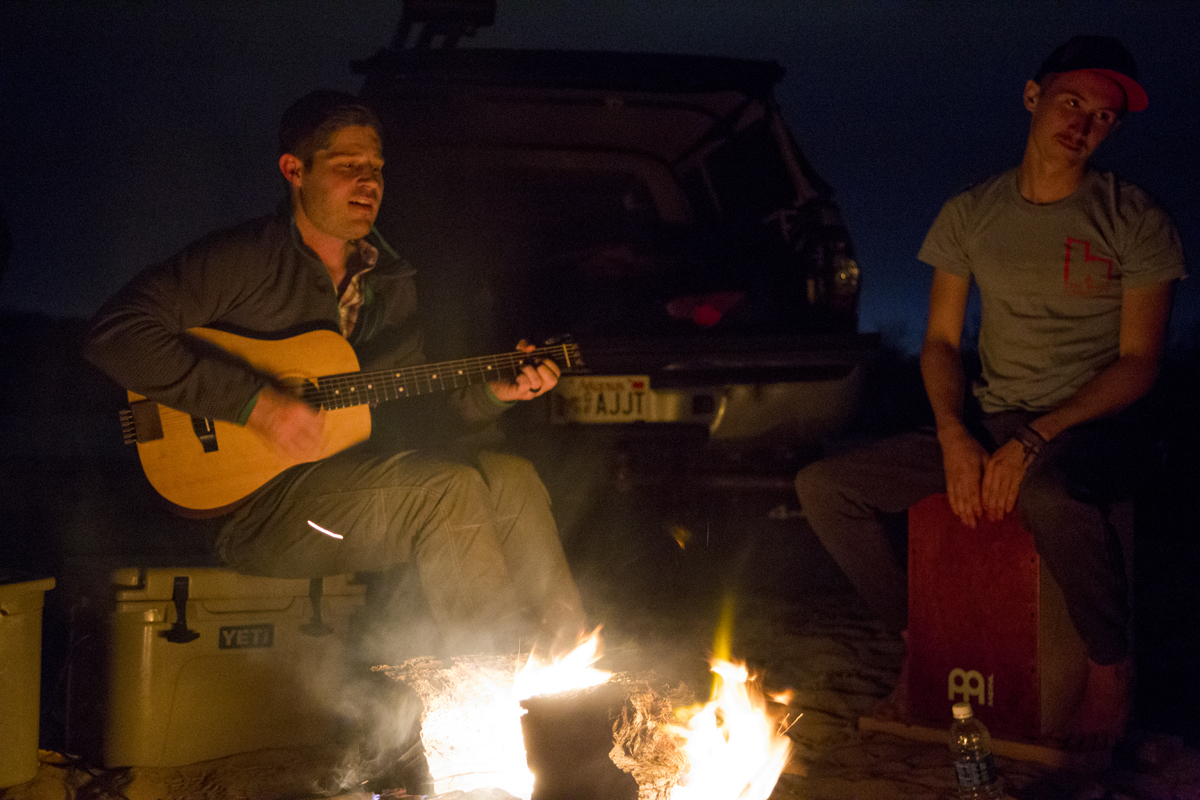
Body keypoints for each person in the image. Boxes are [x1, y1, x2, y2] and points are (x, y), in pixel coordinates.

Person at [84, 90, 585, 658]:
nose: (368, 183)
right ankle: (487, 689)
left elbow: (412, 411)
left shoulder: (388, 282)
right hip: (255, 510)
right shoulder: (245, 260)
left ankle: (568, 662)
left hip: (353, 485)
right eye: (348, 167)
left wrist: (496, 394)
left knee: (511, 475)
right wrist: (257, 404)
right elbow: (114, 335)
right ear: (294, 171)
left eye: (375, 168)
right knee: (447, 493)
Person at [794, 36, 1184, 749]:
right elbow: (941, 343)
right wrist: (953, 433)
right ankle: (924, 643)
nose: (1084, 123)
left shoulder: (1135, 218)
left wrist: (1039, 437)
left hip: (1096, 429)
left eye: (1104, 116)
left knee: (1047, 496)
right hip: (993, 418)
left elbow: (1139, 363)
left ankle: (1109, 673)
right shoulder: (971, 213)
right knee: (826, 486)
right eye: (1072, 102)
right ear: (1033, 98)